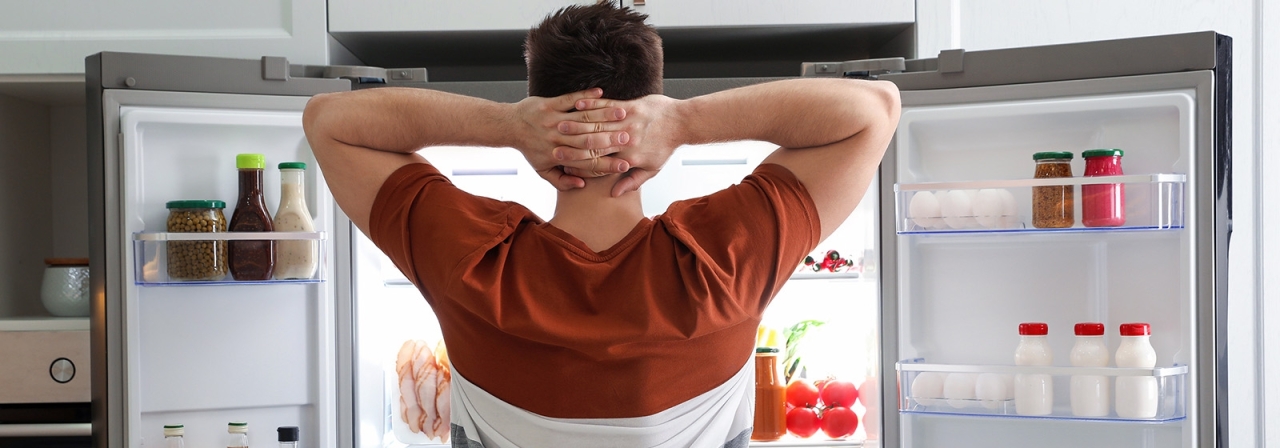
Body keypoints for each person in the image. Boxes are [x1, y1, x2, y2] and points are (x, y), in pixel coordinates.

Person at [302, 3, 900, 447]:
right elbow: (875, 111)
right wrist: (685, 122)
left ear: (540, 105)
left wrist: (510, 127)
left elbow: (329, 119)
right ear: (650, 104)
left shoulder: (472, 261)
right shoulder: (722, 262)